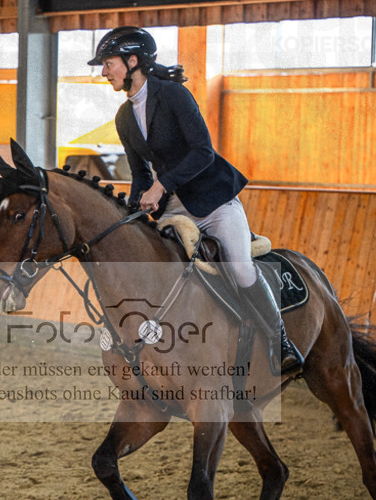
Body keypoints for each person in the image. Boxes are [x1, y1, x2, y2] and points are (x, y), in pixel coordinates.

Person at [88, 25, 303, 376]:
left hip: (213, 202)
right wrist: (131, 208)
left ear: (132, 61)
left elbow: (203, 152)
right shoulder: (124, 117)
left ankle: (281, 342)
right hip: (173, 208)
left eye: (108, 63)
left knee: (240, 267)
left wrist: (162, 186)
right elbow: (142, 175)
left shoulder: (173, 95)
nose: (103, 71)